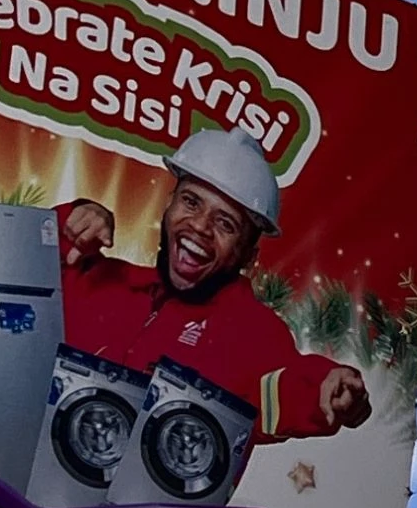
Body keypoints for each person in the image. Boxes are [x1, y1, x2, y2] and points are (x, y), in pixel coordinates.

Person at [53, 129, 374, 458]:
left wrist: (326, 387)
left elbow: (285, 386)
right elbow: (22, 283)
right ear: (167, 207)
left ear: (248, 256)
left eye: (226, 224)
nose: (201, 226)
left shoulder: (252, 334)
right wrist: (75, 223)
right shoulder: (106, 281)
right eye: (191, 202)